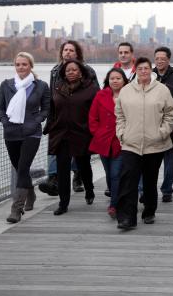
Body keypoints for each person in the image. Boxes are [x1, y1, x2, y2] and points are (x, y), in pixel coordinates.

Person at [114, 57, 173, 230]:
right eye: (140, 68)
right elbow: (119, 114)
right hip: (130, 143)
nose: (143, 71)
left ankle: (149, 211)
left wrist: (162, 132)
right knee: (128, 181)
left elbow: (171, 112)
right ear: (136, 71)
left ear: (151, 70)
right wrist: (121, 133)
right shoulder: (126, 90)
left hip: (155, 144)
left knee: (150, 181)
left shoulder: (162, 90)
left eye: (146, 68)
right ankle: (127, 218)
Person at [39, 40, 98, 196]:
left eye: (71, 50)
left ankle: (78, 177)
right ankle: (54, 179)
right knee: (56, 147)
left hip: (80, 116)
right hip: (60, 116)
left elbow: (95, 94)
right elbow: (52, 94)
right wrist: (50, 118)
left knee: (79, 151)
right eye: (65, 50)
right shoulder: (55, 71)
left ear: (77, 53)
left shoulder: (88, 70)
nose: (68, 52)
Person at [0, 52, 50, 223]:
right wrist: (5, 122)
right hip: (11, 132)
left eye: (24, 64)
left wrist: (37, 120)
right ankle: (31, 194)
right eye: (18, 64)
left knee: (22, 167)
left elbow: (46, 108)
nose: (21, 67)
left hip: (31, 132)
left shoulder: (41, 86)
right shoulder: (6, 85)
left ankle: (16, 209)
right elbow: (0, 108)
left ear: (31, 66)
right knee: (20, 168)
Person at [46, 59, 99, 215]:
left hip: (81, 133)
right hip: (61, 135)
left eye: (74, 70)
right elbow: (52, 109)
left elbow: (95, 112)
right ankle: (63, 203)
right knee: (62, 170)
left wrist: (93, 130)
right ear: (64, 73)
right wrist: (50, 126)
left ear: (81, 72)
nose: (71, 72)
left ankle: (89, 190)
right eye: (68, 70)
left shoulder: (91, 89)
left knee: (83, 165)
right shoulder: (57, 88)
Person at [88, 67, 128, 219]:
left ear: (124, 80)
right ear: (108, 80)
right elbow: (92, 117)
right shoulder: (101, 95)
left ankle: (114, 205)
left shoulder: (130, 95)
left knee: (116, 174)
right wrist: (97, 133)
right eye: (112, 78)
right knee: (109, 174)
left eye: (118, 78)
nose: (115, 81)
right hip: (103, 140)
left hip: (121, 141)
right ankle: (115, 197)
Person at [153, 46, 173, 203]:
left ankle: (167, 190)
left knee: (169, 163)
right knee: (150, 162)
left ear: (168, 60)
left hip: (172, 127)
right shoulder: (149, 76)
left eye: (162, 58)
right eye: (157, 58)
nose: (159, 61)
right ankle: (145, 189)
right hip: (150, 128)